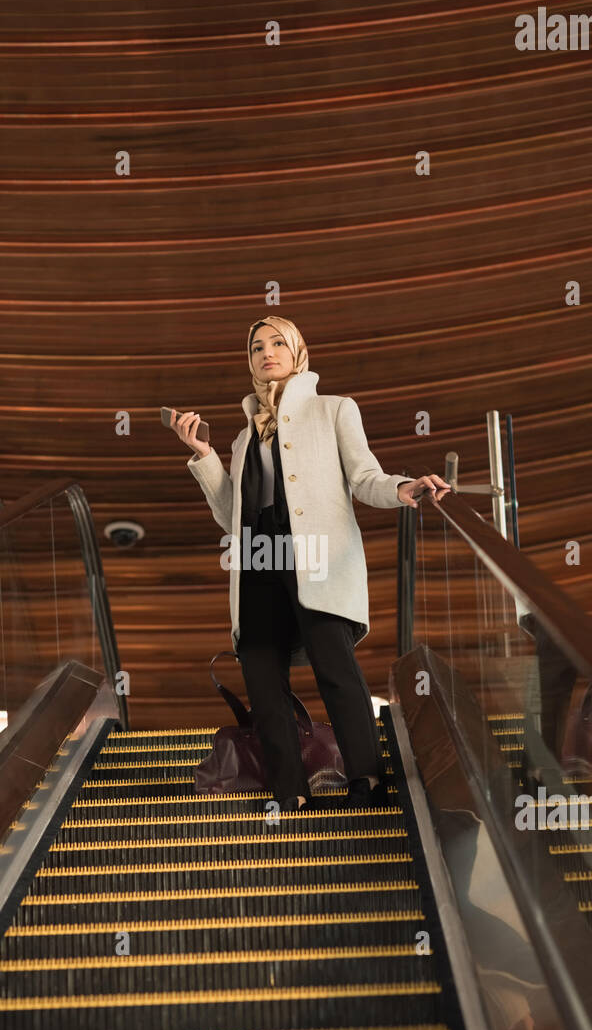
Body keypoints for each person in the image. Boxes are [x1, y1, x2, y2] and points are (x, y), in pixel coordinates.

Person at [171, 315, 448, 811]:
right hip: (256, 559)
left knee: (334, 667)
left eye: (278, 343)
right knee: (261, 675)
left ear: (298, 350)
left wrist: (404, 487)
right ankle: (288, 789)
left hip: (315, 558)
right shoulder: (241, 438)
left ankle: (366, 776)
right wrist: (204, 455)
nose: (266, 352)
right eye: (256, 347)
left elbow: (365, 477)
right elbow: (230, 516)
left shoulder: (334, 410)